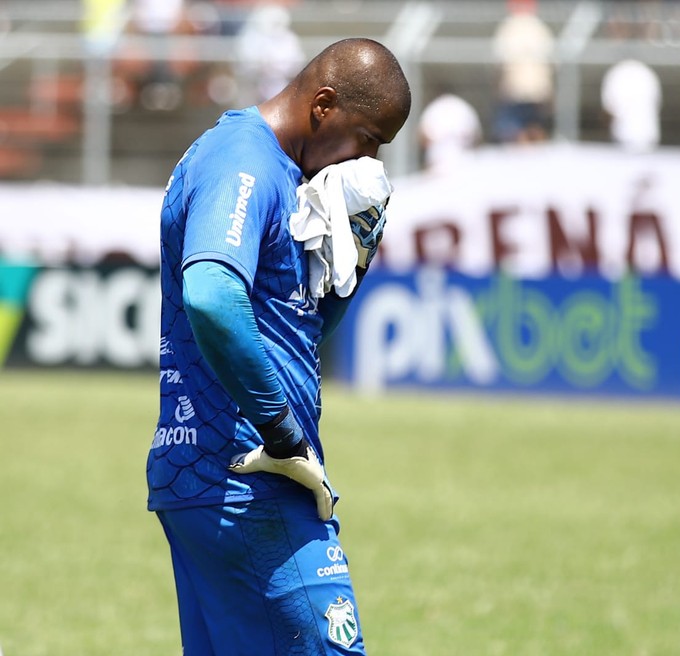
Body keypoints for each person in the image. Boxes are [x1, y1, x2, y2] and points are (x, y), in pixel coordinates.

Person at [147, 37, 411, 656]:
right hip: (249, 478)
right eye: (369, 137)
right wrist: (283, 434)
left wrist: (355, 263)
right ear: (324, 107)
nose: (369, 159)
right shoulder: (244, 160)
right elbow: (211, 294)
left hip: (217, 476)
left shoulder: (292, 180)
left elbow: (297, 335)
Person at [491, 0, 554, 143]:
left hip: (514, 92)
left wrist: (496, 89)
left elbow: (499, 63)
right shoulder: (540, 28)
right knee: (535, 133)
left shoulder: (508, 27)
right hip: (538, 93)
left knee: (513, 135)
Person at [600, 58, 662, 153]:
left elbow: (609, 107)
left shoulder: (618, 74)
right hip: (642, 135)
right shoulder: (644, 73)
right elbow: (657, 102)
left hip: (627, 135)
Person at [417, 91, 482, 172]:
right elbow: (476, 136)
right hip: (464, 163)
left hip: (439, 162)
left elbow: (422, 137)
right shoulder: (462, 107)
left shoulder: (434, 109)